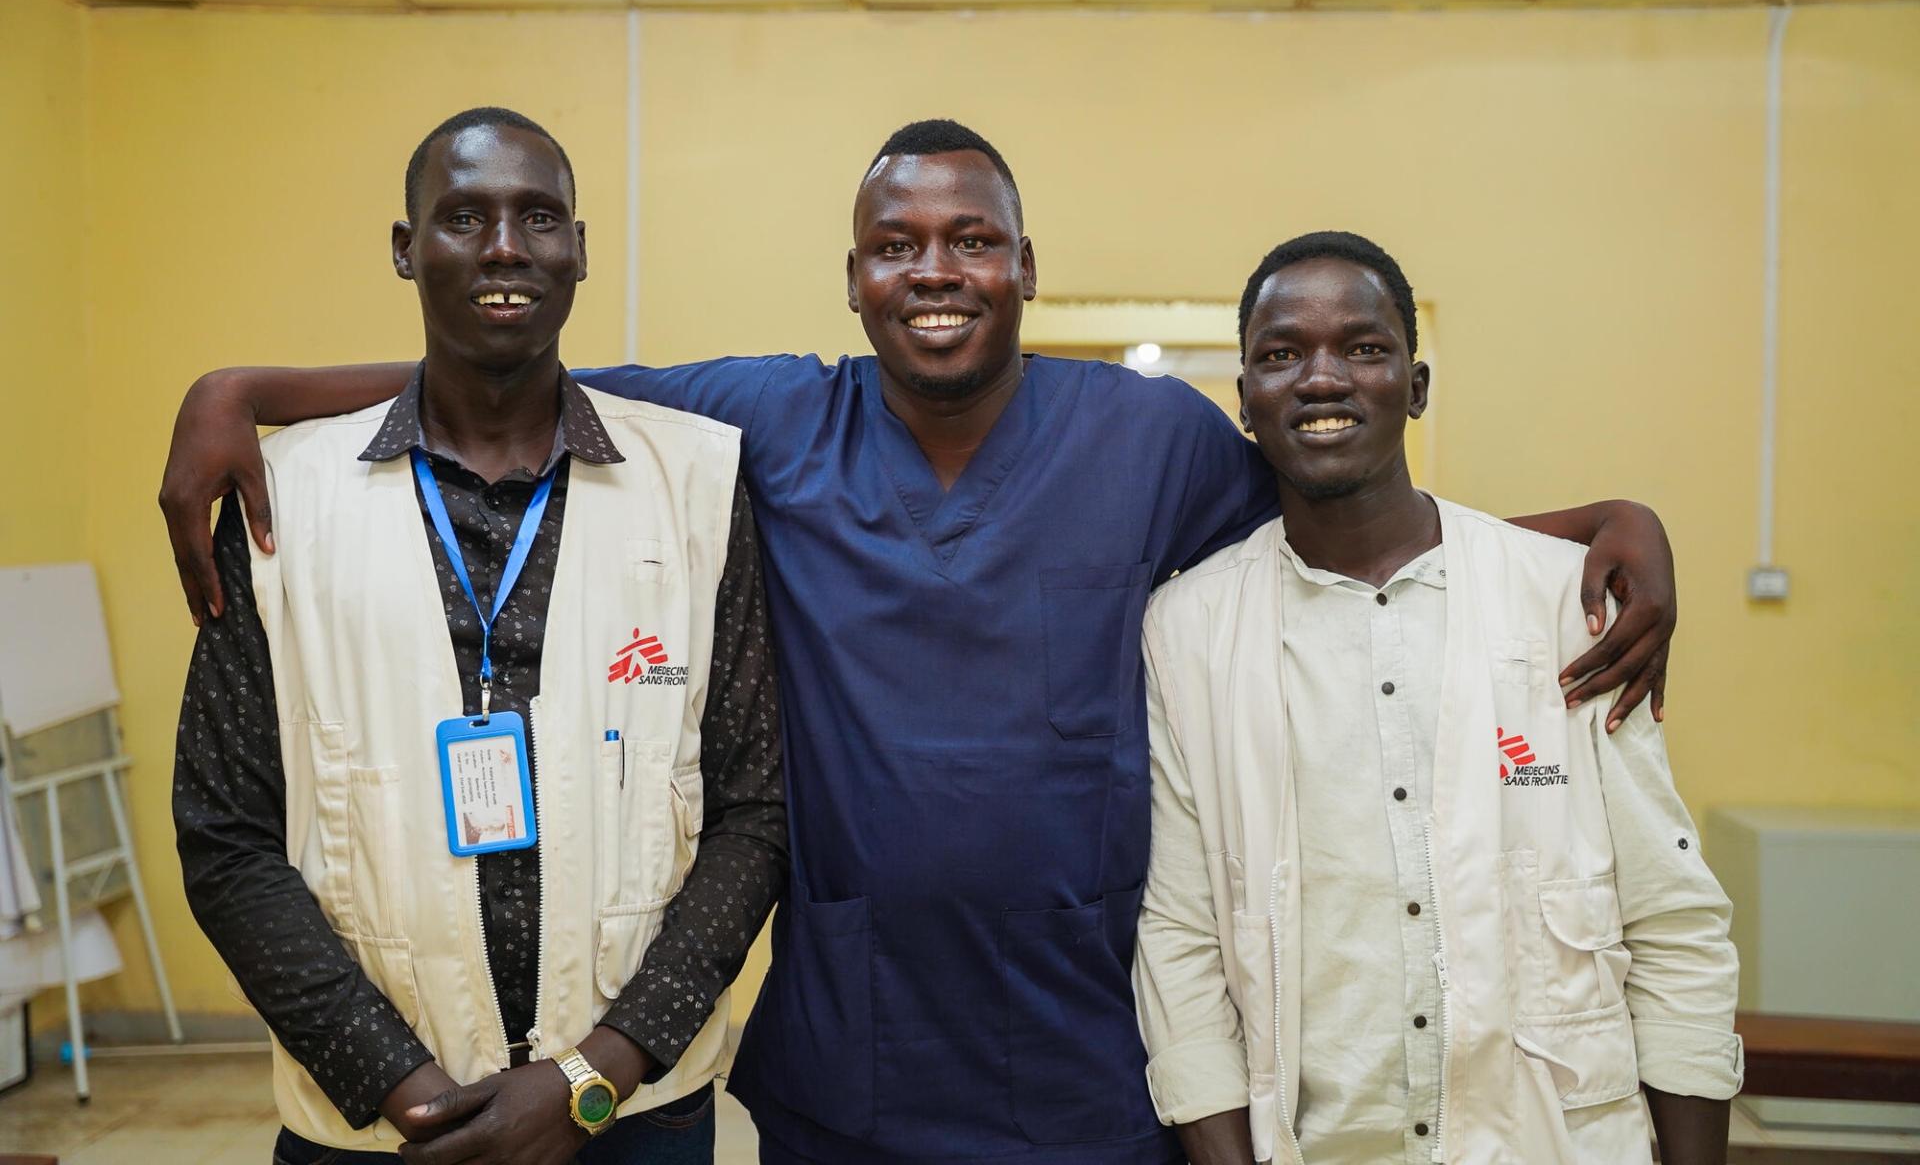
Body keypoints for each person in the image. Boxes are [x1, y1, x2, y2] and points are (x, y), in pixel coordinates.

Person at [160, 121, 1680, 1165]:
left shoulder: (1144, 439)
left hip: (1094, 1056)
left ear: (1026, 262)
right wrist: (256, 387)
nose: (934, 271)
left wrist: (1594, 530)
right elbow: (519, 367)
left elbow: (1346, 512)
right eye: (897, 244)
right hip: (855, 1056)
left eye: (971, 241)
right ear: (853, 277)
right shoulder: (766, 418)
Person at [172, 107, 786, 1165]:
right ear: (407, 251)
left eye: (538, 217)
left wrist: (593, 1076)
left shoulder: (695, 483)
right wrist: (399, 1086)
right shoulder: (281, 501)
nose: (505, 247)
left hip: (634, 1120)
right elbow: (225, 834)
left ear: (579, 252)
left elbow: (755, 812)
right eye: (464, 218)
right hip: (373, 1132)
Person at [1133, 232, 1741, 1165]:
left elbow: (1671, 920)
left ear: (1415, 387)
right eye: (1281, 354)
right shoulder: (1187, 630)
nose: (1322, 377)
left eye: (1364, 348)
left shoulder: (1565, 603)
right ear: (1246, 404)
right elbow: (1180, 944)